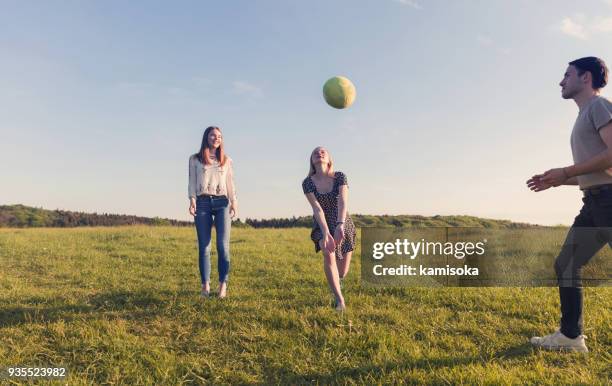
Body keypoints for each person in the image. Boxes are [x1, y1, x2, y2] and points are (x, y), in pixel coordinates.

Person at [527, 57, 611, 352]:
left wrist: (567, 171)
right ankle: (571, 337)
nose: (561, 81)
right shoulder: (585, 114)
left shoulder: (599, 106)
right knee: (567, 264)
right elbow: (597, 171)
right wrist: (559, 180)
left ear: (585, 78)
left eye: (567, 75)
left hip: (609, 201)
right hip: (595, 203)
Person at [302, 146, 357, 312]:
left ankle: (338, 280)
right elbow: (317, 208)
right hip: (322, 223)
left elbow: (343, 202)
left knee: (343, 272)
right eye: (315, 152)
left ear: (329, 159)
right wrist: (326, 232)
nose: (319, 153)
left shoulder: (340, 177)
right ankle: (340, 300)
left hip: (343, 222)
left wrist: (340, 225)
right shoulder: (307, 183)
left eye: (323, 152)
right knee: (328, 254)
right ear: (312, 161)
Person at [188, 126, 238, 298]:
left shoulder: (226, 160)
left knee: (223, 246)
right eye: (213, 135)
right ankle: (205, 286)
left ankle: (223, 285)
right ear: (206, 137)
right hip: (202, 203)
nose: (216, 138)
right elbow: (192, 182)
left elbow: (231, 184)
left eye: (219, 136)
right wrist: (192, 201)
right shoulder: (195, 159)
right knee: (204, 247)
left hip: (222, 202)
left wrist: (234, 202)